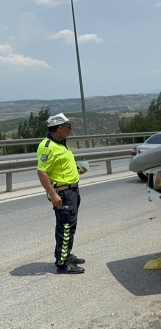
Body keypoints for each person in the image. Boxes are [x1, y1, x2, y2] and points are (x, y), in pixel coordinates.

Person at [36, 113, 88, 274]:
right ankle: (62, 263)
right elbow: (42, 171)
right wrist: (53, 194)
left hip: (72, 189)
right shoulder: (47, 146)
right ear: (59, 128)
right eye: (68, 126)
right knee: (65, 227)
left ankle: (65, 254)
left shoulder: (61, 144)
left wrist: (78, 170)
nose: (71, 129)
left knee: (69, 226)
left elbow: (61, 168)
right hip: (63, 193)